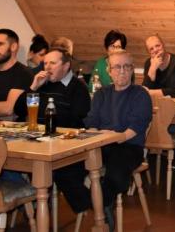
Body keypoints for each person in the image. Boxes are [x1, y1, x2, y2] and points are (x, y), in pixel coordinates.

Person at [14, 48, 92, 215]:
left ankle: (95, 207)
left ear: (66, 65)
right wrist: (33, 87)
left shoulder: (78, 88)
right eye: (45, 63)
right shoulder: (41, 84)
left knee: (63, 173)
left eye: (53, 63)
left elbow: (77, 121)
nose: (47, 67)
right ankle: (36, 207)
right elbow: (18, 110)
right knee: (18, 164)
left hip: (67, 146)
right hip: (38, 144)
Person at [83, 51, 151, 224]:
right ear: (109, 71)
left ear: (132, 70)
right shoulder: (101, 94)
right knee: (71, 167)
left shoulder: (140, 94)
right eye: (117, 67)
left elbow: (135, 128)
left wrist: (113, 136)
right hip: (102, 144)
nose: (122, 71)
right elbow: (92, 122)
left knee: (117, 169)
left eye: (126, 67)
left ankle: (100, 204)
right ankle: (96, 203)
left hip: (130, 146)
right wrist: (98, 137)